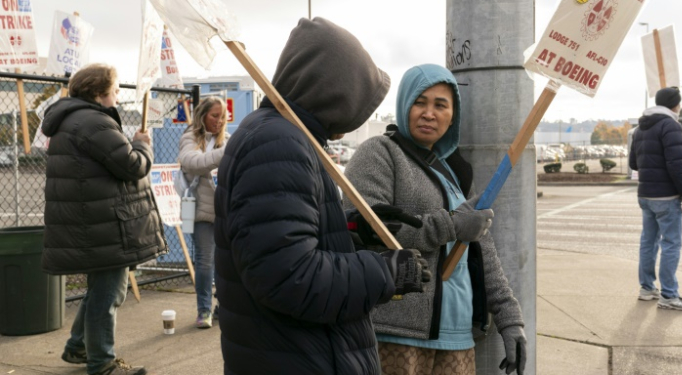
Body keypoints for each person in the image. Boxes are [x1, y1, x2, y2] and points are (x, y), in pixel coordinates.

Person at [213, 18, 430, 375]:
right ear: (334, 92)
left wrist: (351, 230)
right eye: (359, 98)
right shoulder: (277, 141)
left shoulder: (283, 135)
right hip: (300, 357)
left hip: (296, 353)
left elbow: (282, 238)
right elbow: (287, 276)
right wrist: (384, 272)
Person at [343, 64, 527, 375]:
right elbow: (366, 228)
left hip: (456, 339)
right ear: (404, 104)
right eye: (420, 102)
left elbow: (482, 252)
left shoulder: (453, 172)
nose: (429, 113)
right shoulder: (379, 153)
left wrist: (510, 320)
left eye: (441, 105)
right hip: (395, 334)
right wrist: (452, 225)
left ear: (452, 116)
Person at [41, 63, 167, 375]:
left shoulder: (72, 119)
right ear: (99, 93)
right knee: (108, 294)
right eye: (114, 90)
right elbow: (132, 165)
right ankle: (102, 364)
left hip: (91, 221)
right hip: (104, 223)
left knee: (102, 289)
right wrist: (143, 145)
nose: (116, 96)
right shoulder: (94, 123)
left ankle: (79, 347)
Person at [629, 86, 682, 311]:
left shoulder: (640, 128)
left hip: (645, 195)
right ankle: (669, 295)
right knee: (671, 244)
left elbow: (633, 164)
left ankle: (647, 288)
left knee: (648, 242)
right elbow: (677, 164)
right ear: (674, 104)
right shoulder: (671, 125)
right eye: (679, 102)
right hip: (666, 196)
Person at [177, 96, 229, 328]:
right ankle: (204, 311)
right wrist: (227, 153)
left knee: (227, 263)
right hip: (202, 213)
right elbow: (191, 162)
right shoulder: (190, 137)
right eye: (214, 116)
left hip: (226, 212)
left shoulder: (226, 140)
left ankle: (224, 307)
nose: (219, 121)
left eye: (222, 116)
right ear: (202, 116)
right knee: (205, 262)